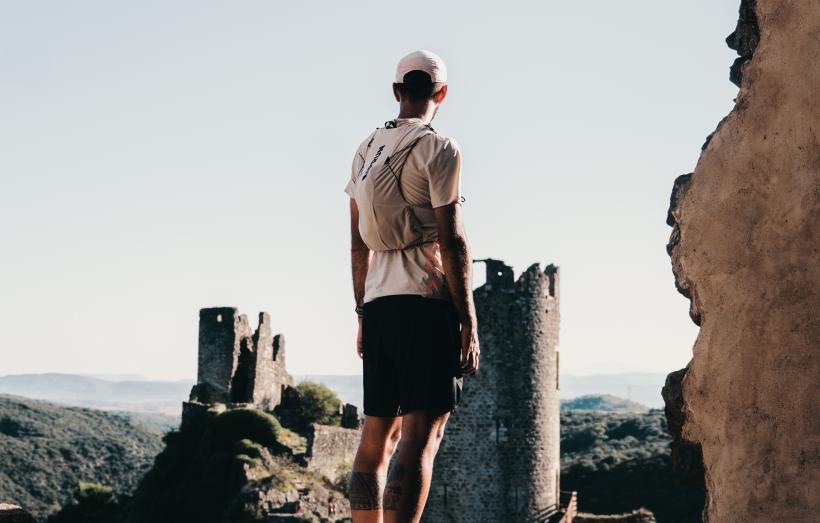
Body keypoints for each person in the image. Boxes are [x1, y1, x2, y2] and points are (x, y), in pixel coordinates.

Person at [344, 50, 480, 523]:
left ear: (397, 90)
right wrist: (468, 321)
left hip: (380, 305)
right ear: (441, 94)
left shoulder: (364, 151)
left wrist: (363, 312)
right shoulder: (439, 148)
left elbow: (357, 246)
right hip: (426, 303)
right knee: (422, 435)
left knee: (376, 436)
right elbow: (453, 238)